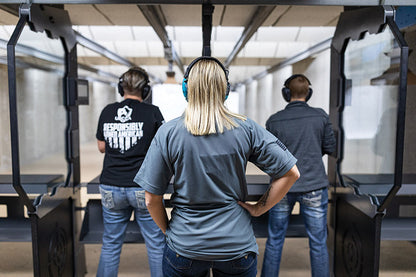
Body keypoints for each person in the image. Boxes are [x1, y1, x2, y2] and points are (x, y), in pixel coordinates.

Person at [133, 56, 300, 277]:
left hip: (185, 246)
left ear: (187, 89)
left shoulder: (168, 132)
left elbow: (150, 198)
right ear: (225, 89)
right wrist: (260, 208)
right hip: (236, 247)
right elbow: (290, 173)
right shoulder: (246, 128)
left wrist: (171, 233)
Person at [261, 74, 336, 277]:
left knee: (275, 239)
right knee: (318, 243)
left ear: (286, 93)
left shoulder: (274, 120)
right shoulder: (320, 116)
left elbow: (268, 156)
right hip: (313, 186)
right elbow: (331, 147)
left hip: (282, 188)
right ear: (308, 93)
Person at [95, 67, 166, 277]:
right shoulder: (152, 112)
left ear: (120, 88)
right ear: (145, 90)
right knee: (155, 244)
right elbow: (162, 148)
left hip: (110, 186)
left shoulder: (107, 111)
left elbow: (101, 146)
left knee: (110, 244)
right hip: (142, 187)